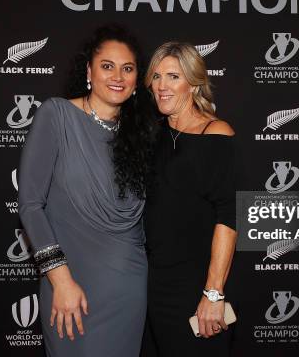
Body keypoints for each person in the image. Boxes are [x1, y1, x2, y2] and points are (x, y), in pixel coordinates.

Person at [17, 24, 157, 357]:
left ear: (138, 79)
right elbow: (30, 205)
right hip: (69, 283)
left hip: (127, 287)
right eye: (107, 66)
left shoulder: (143, 135)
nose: (118, 76)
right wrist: (61, 281)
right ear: (89, 71)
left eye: (128, 68)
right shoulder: (57, 115)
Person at [143, 42, 238, 356]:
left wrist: (213, 293)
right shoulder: (150, 136)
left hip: (195, 285)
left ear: (194, 82)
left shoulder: (216, 133)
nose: (161, 86)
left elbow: (229, 215)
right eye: (156, 77)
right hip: (150, 284)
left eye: (173, 76)